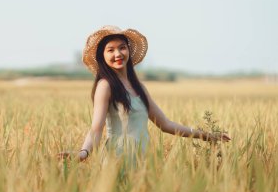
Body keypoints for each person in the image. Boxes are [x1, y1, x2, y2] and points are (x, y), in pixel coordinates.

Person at [61, 25, 231, 162]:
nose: (118, 54)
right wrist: (83, 153)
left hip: (142, 162)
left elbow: (166, 124)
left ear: (128, 50)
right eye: (110, 50)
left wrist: (206, 136)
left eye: (122, 48)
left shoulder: (139, 86)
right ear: (102, 56)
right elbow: (96, 128)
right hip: (117, 161)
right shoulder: (105, 86)